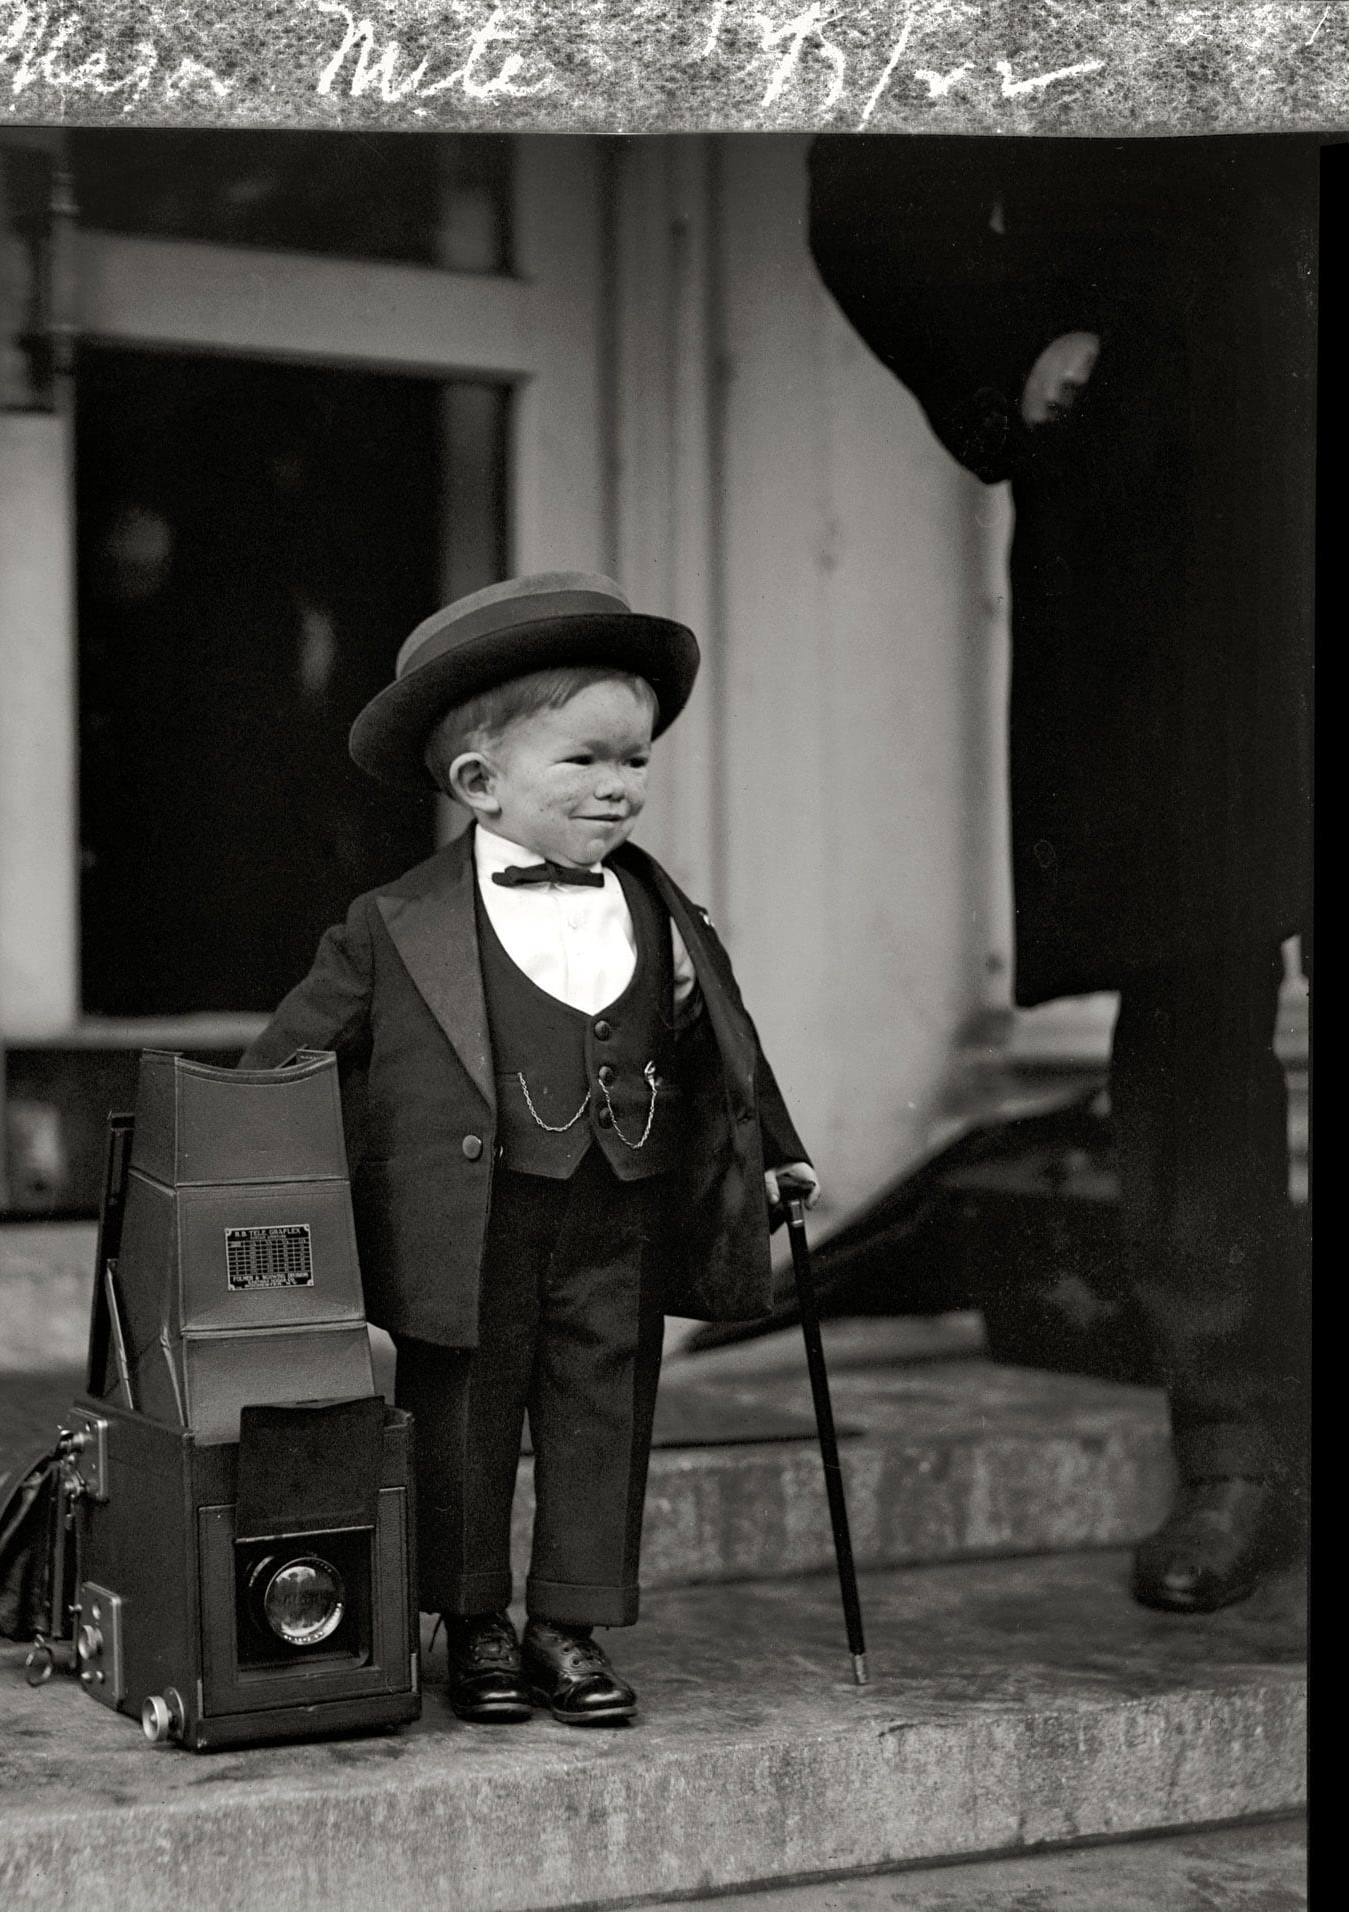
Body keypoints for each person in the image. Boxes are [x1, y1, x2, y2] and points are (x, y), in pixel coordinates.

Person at [806, 136, 1314, 1613]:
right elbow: (869, 179)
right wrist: (1003, 354)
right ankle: (1239, 1449)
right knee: (1196, 979)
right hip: (1171, 502)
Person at [241, 571, 818, 1722]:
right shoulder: (391, 924)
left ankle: (569, 1624)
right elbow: (289, 1059)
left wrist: (776, 1152)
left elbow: (725, 1045)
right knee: (464, 1414)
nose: (621, 791)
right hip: (470, 1220)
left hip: (622, 1203)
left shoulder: (659, 909)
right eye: (587, 761)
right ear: (477, 781)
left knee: (603, 1405)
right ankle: (476, 1625)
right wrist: (241, 1168)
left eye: (636, 763)